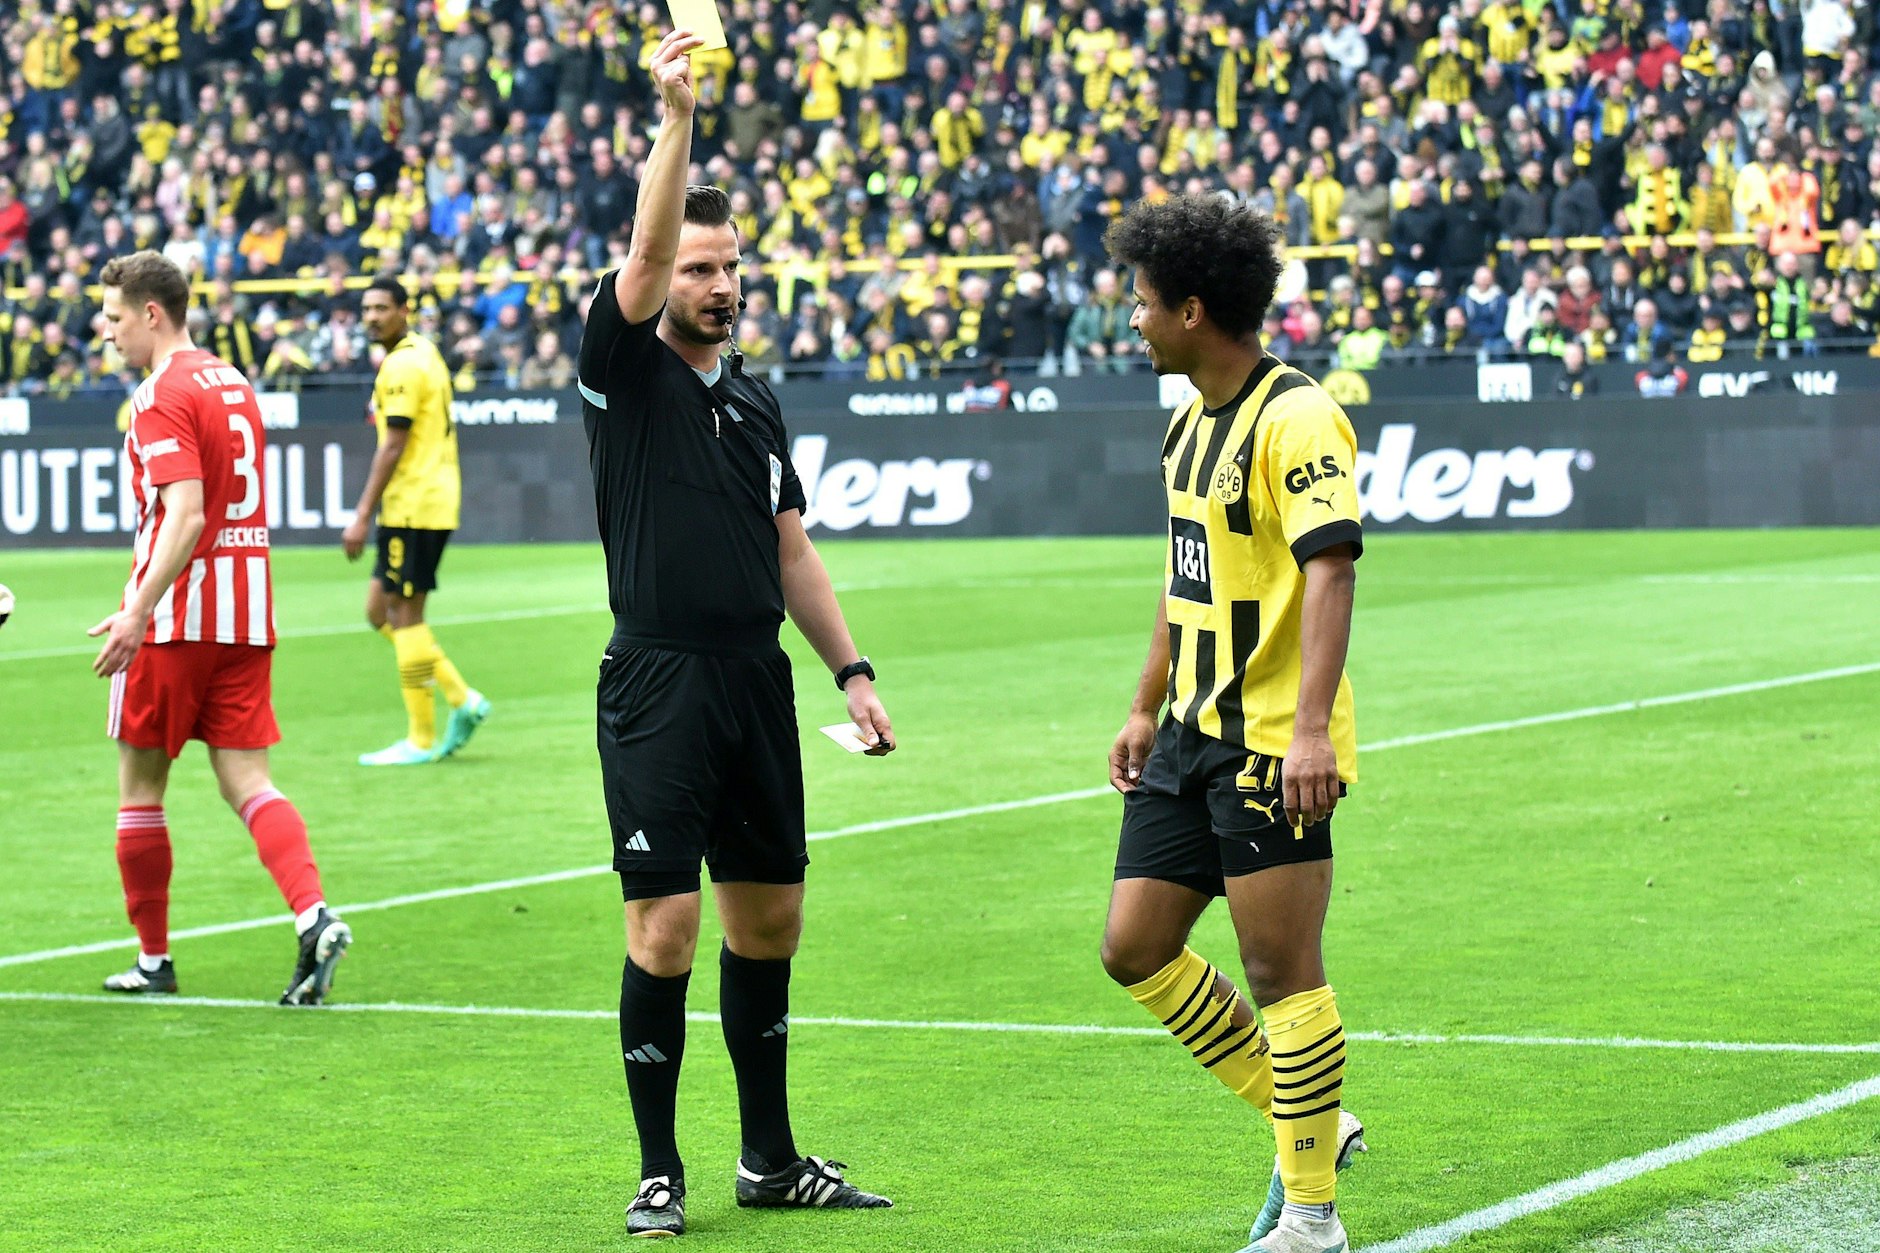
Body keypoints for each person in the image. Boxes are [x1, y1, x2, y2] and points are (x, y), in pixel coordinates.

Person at [575, 30, 896, 1240]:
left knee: (768, 921)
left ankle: (768, 1156)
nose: (716, 284)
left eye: (729, 267)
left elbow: (789, 547)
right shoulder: (620, 367)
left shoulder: (755, 394)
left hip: (757, 679)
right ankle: (660, 1168)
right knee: (663, 926)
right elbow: (646, 249)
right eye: (699, 267)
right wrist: (675, 119)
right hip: (656, 677)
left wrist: (850, 670)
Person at [1098, 196, 1367, 1253]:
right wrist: (1139, 699)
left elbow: (1331, 570)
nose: (1132, 319)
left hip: (1270, 742)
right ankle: (1311, 1120)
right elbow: (1185, 572)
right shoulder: (1181, 422)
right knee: (1132, 946)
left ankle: (1310, 1216)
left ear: (1194, 310)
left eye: (1142, 302)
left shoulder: (1295, 417)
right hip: (1187, 730)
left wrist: (1308, 731)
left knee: (1278, 971)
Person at [89, 250, 351, 1006]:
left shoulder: (159, 393)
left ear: (150, 313)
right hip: (245, 612)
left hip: (173, 619)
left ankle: (153, 958)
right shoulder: (234, 380)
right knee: (250, 783)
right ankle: (313, 916)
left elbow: (187, 511)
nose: (105, 335)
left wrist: (138, 610)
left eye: (112, 318)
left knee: (140, 792)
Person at [342, 277, 491, 765]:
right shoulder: (421, 353)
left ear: (404, 310)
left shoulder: (403, 364)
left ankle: (421, 738)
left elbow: (393, 444)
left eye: (381, 308)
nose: (371, 317)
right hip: (421, 501)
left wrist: (362, 514)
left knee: (405, 616)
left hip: (414, 503)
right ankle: (460, 697)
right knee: (377, 612)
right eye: (366, 308)